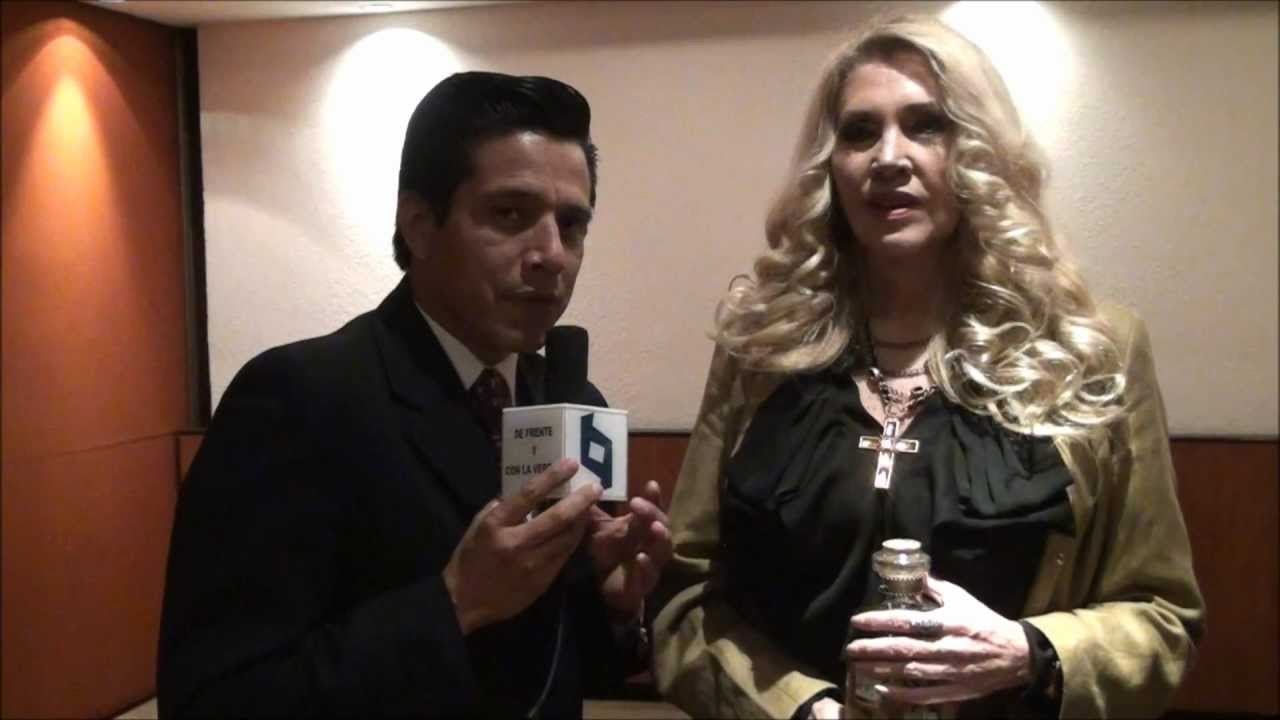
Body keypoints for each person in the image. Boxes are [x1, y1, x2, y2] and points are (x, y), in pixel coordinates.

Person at [651, 15, 1202, 720]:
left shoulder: (1095, 351)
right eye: (859, 132)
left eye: (926, 125)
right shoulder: (760, 350)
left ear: (978, 152)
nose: (889, 156)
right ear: (830, 167)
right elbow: (688, 599)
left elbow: (1162, 617)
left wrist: (1029, 651)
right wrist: (802, 709)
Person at [157, 71, 671, 718]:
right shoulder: (297, 401)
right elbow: (211, 700)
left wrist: (614, 605)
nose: (552, 254)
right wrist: (454, 603)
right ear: (421, 224)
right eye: (510, 214)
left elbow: (557, 667)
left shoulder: (575, 402)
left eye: (571, 224)